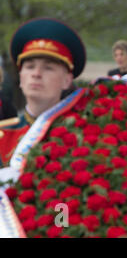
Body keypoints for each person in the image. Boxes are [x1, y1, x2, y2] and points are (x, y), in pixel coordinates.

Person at [0, 18, 86, 167]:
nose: (36, 74)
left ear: (67, 80)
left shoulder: (82, 135)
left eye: (48, 68)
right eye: (30, 67)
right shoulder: (3, 135)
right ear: (21, 77)